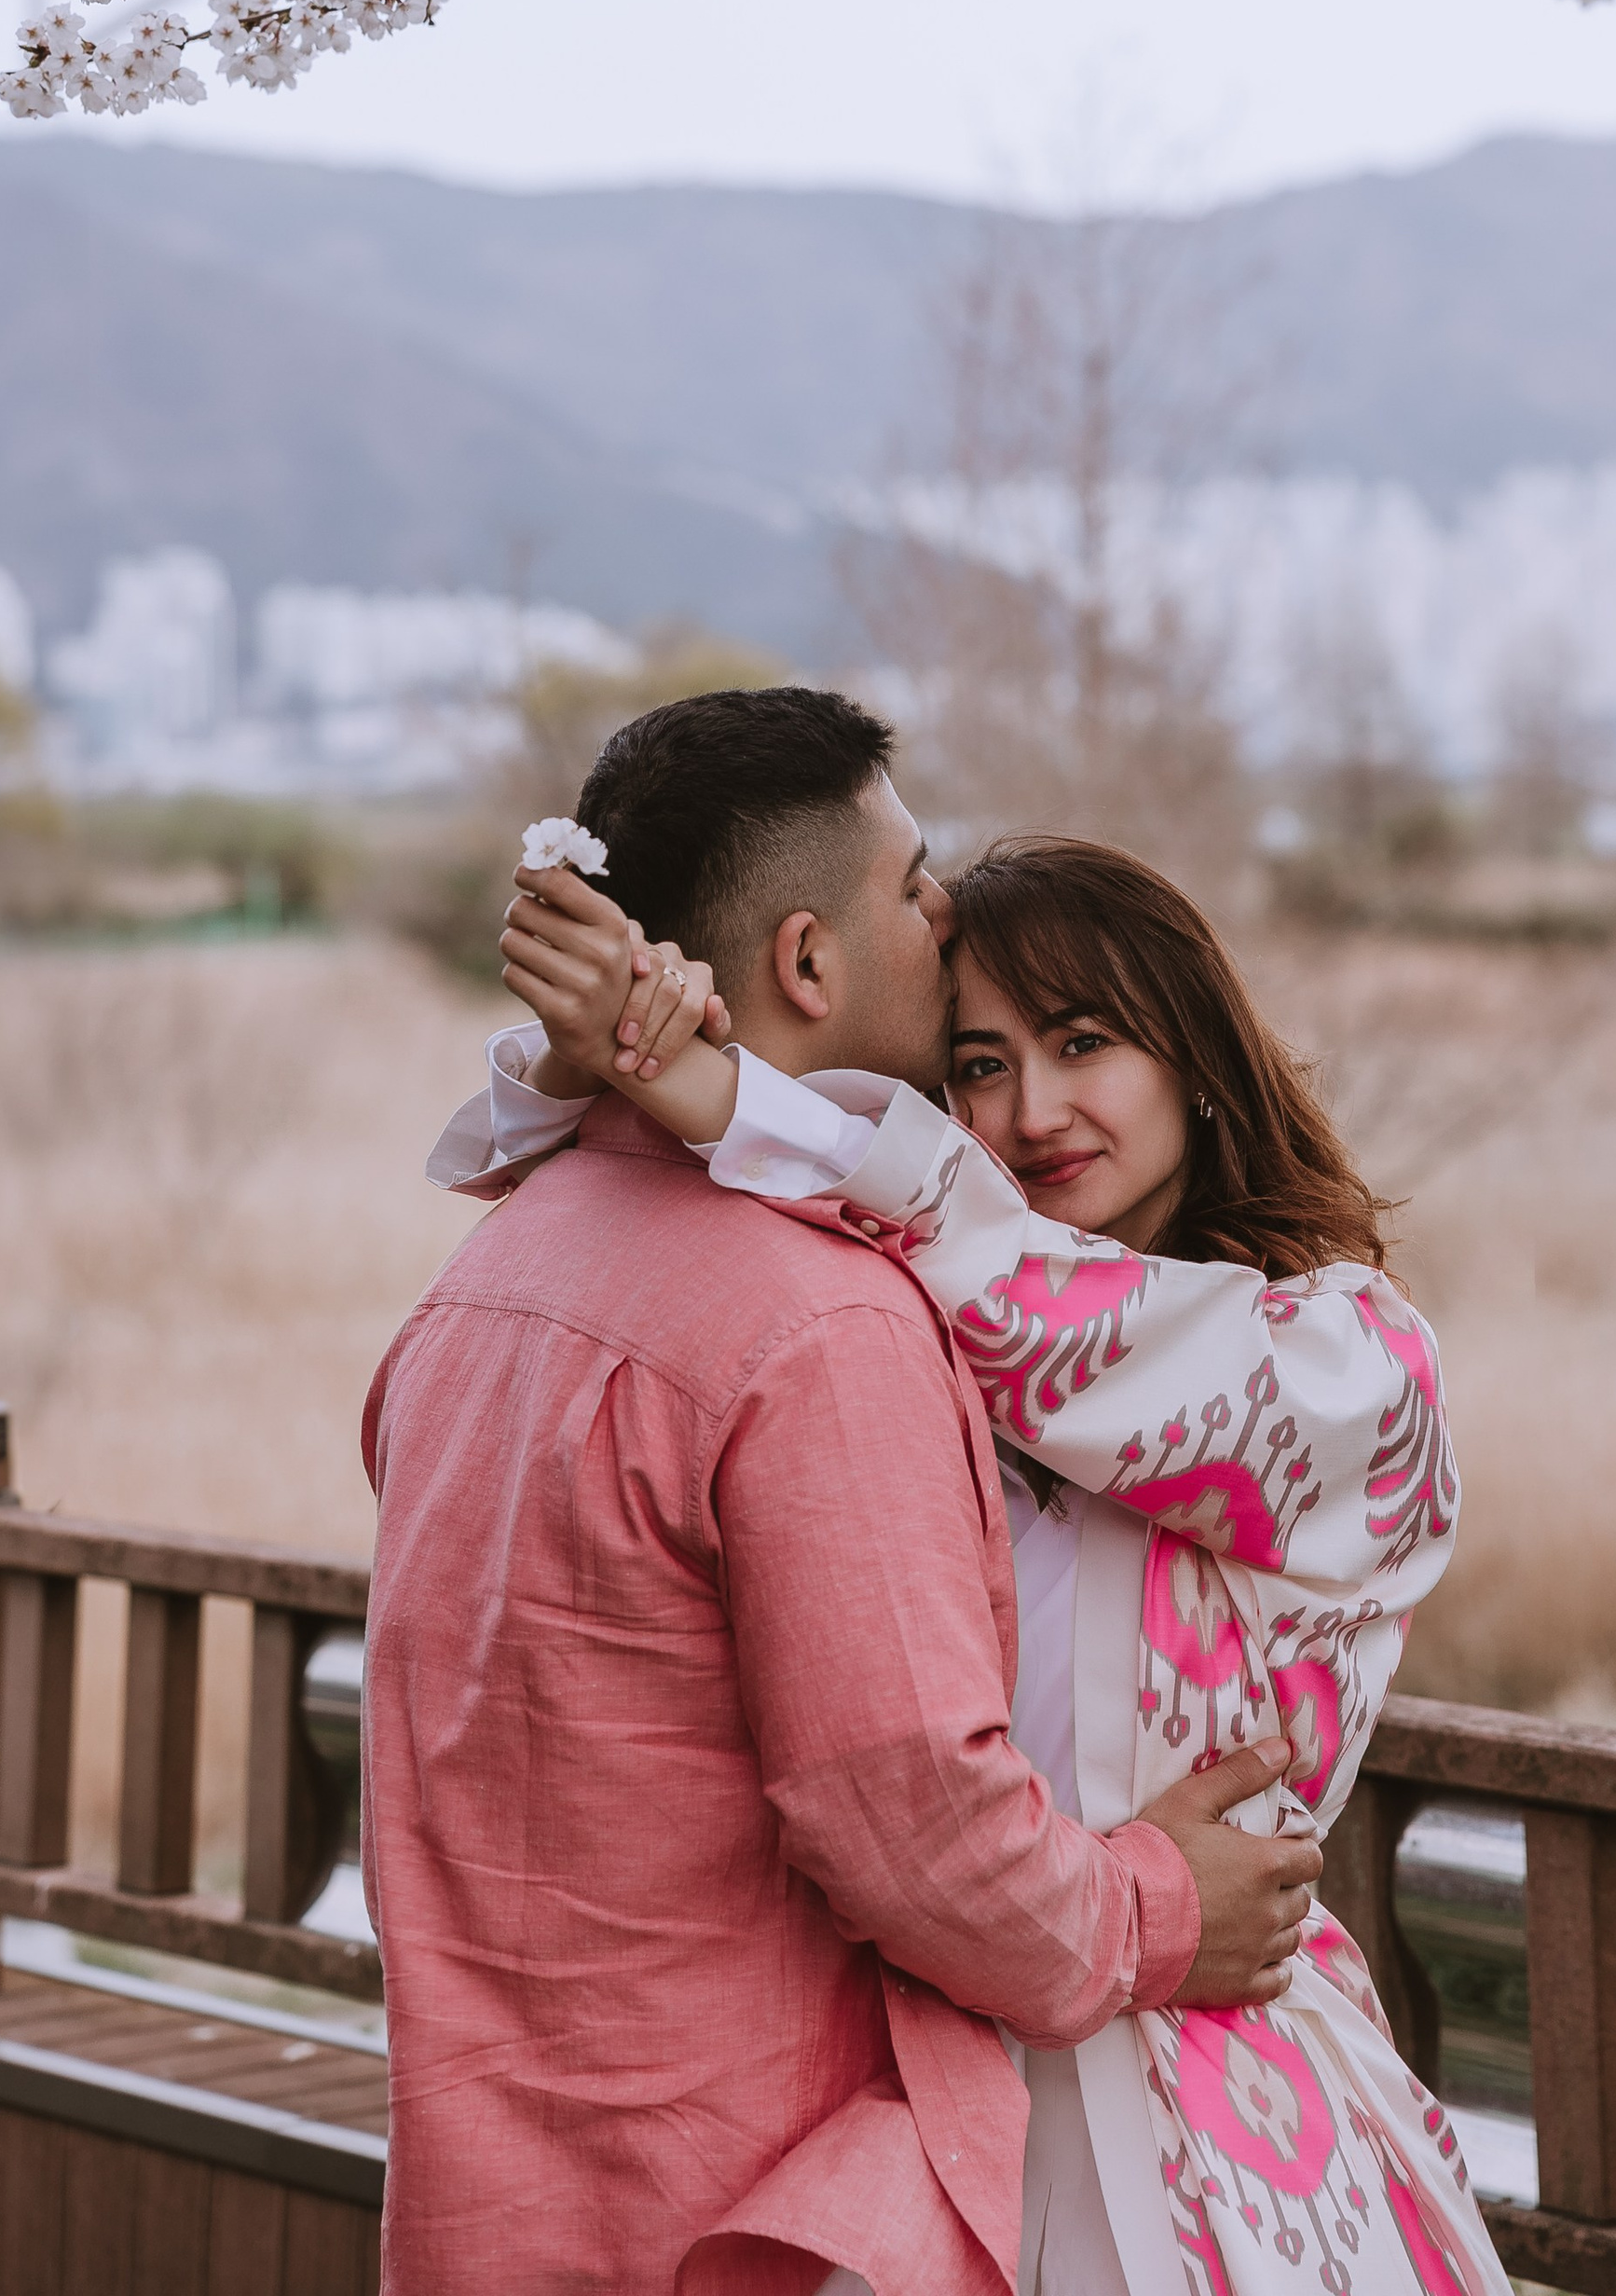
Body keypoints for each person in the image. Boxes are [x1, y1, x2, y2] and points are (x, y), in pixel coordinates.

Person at [459, 762, 1513, 2296]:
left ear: (1194, 1052)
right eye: (976, 1064)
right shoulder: (918, 1320)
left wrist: (727, 1088)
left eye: (1084, 1044)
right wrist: (617, 1055)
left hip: (1212, 2102)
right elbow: (652, 1215)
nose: (1028, 1112)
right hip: (939, 2086)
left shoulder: (1348, 1367)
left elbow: (1052, 1319)